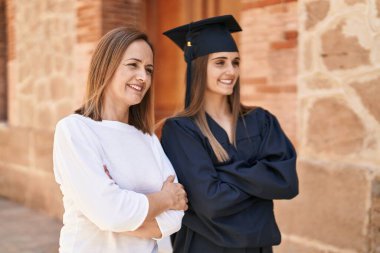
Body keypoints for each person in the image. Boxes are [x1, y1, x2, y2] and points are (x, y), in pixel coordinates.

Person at [161, 15, 299, 253]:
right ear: (198, 66)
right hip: (205, 247)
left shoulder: (261, 121)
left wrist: (221, 175)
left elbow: (286, 182)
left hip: (258, 247)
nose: (231, 71)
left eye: (235, 62)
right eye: (220, 62)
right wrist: (260, 186)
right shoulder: (181, 129)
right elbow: (210, 202)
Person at [53, 27, 187, 253]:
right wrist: (163, 199)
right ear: (107, 66)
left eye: (149, 69)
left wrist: (118, 220)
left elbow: (176, 215)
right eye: (133, 65)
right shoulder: (75, 130)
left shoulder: (148, 138)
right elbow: (111, 212)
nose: (143, 77)